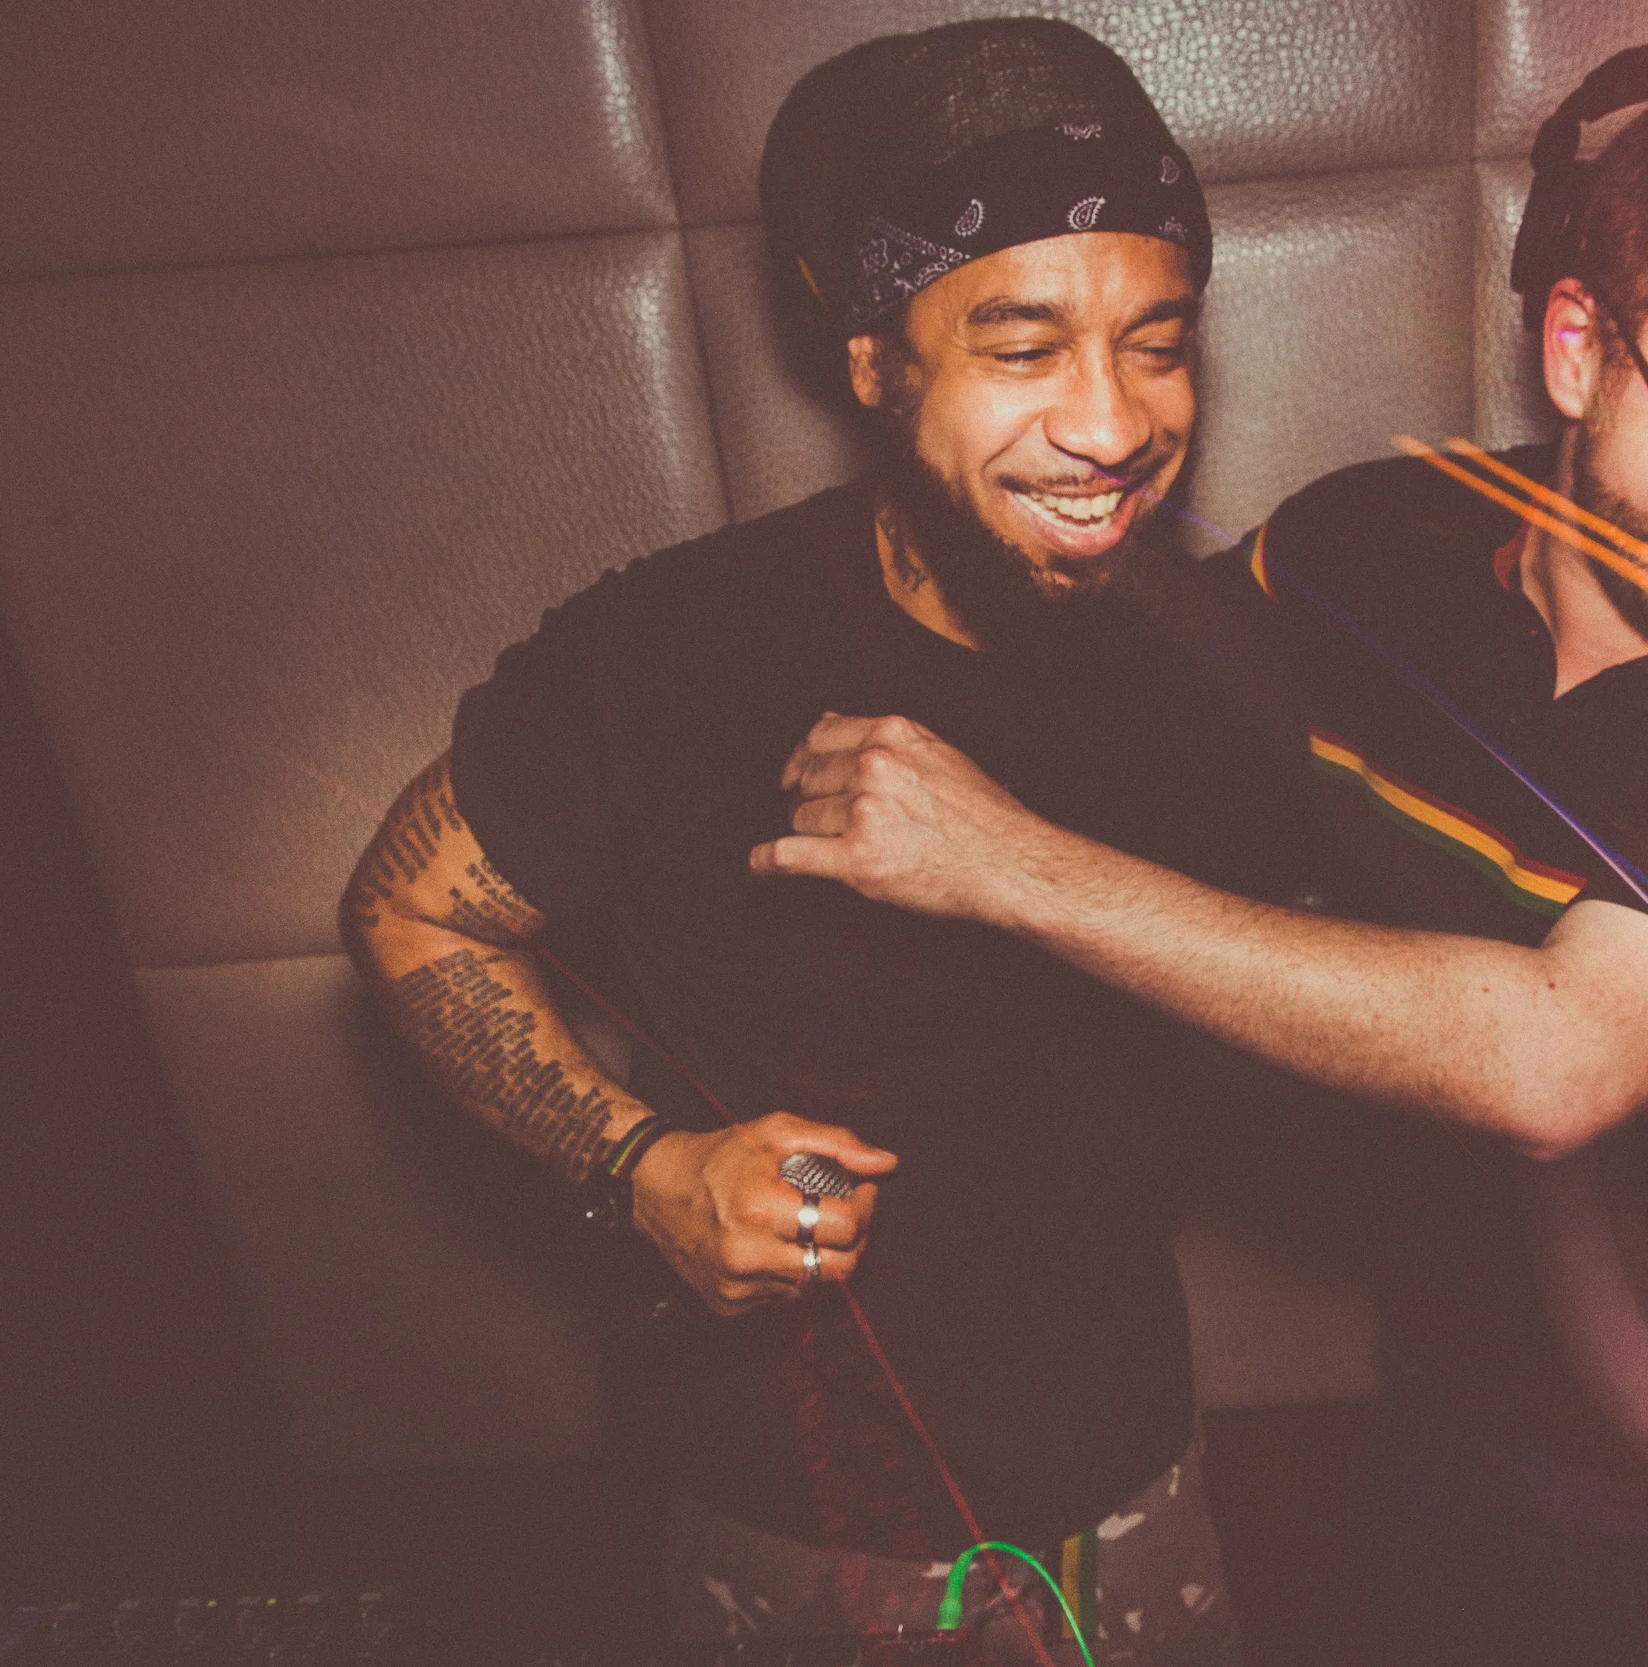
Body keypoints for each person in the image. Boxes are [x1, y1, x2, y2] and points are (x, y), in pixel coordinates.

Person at [753, 33, 1648, 1666]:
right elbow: (1126, 714)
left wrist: (1002, 864)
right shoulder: (1369, 546)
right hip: (1452, 1426)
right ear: (1578, 345)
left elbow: (1557, 1056)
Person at [338, 20, 1314, 1664]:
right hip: (788, 1521)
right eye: (1022, 348)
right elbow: (407, 908)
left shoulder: (1225, 670)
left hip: (1132, 1479)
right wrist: (641, 1168)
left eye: (1157, 344)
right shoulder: (675, 650)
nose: (1111, 423)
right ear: (874, 361)